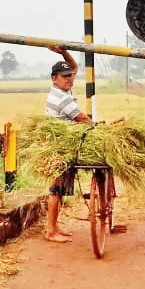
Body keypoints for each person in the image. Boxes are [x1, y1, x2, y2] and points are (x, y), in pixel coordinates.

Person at [44, 46, 93, 242]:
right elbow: (83, 119)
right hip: (60, 148)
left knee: (60, 190)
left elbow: (73, 67)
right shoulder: (61, 98)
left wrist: (63, 52)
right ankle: (50, 231)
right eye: (64, 77)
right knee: (56, 189)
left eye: (69, 76)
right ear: (54, 78)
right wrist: (97, 129)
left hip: (62, 144)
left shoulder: (61, 89)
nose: (69, 79)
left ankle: (55, 227)